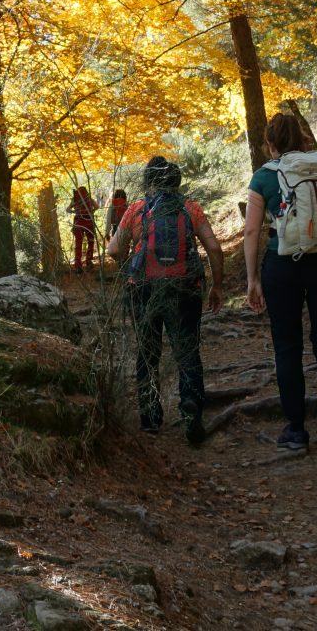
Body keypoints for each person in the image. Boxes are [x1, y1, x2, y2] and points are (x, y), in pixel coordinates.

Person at [244, 113, 317, 457]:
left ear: (270, 144)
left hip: (283, 264)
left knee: (287, 346)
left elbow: (251, 231)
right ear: (303, 139)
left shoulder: (263, 176)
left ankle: (296, 430)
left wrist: (252, 279)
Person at [108, 156, 225, 446]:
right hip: (185, 289)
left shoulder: (136, 210)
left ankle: (150, 417)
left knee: (148, 351)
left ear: (148, 181)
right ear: (178, 181)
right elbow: (214, 248)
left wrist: (129, 263)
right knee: (187, 350)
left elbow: (112, 250)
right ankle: (191, 408)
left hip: (144, 289)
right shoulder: (191, 209)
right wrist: (217, 287)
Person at [68, 185, 98, 271]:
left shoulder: (75, 199)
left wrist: (74, 211)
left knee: (78, 244)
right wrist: (91, 211)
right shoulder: (88, 198)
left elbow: (67, 209)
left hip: (78, 223)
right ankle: (89, 262)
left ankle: (78, 265)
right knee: (90, 241)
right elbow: (97, 206)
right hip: (89, 222)